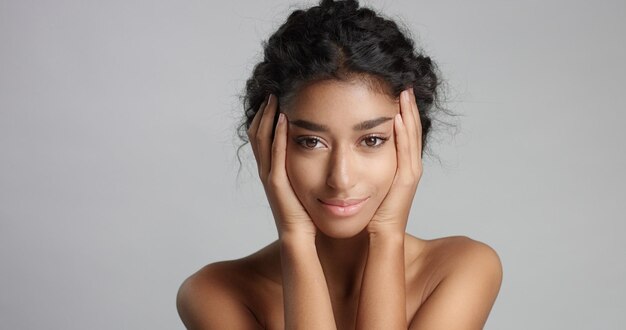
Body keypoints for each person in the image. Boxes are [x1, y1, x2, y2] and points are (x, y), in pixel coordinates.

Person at [176, 0, 502, 328]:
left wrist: (387, 234)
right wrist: (296, 239)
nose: (341, 179)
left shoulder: (461, 269)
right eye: (311, 142)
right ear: (269, 144)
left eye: (372, 140)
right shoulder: (214, 293)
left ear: (411, 141)